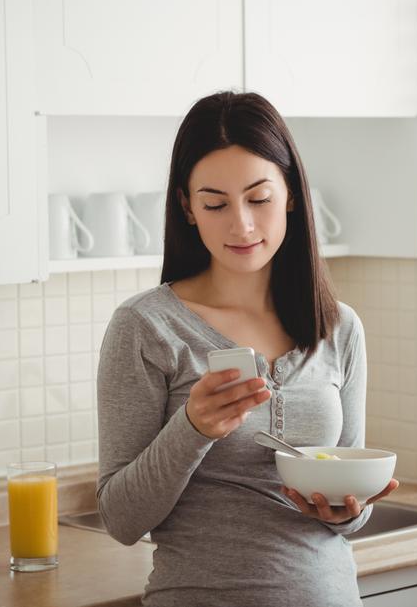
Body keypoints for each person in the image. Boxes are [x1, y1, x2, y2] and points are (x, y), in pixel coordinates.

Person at [96, 91, 399, 607]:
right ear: (187, 208)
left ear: (293, 195)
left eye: (259, 198)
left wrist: (350, 511)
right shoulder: (146, 327)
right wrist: (192, 428)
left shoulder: (340, 328)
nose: (241, 225)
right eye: (215, 203)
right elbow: (122, 520)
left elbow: (349, 501)